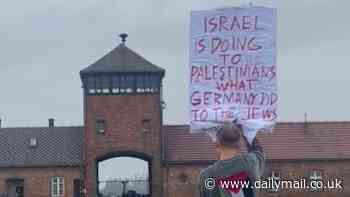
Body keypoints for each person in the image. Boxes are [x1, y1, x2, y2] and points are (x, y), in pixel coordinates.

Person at [198, 122, 265, 197]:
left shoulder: (207, 175)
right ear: (239, 144)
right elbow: (258, 151)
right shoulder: (251, 162)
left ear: (217, 144)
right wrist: (246, 132)